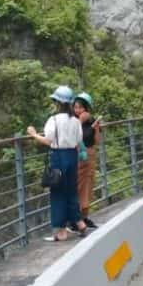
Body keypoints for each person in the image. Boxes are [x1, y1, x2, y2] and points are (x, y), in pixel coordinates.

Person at [26, 86, 88, 242]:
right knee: (71, 190)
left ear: (58, 102)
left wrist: (33, 134)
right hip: (72, 156)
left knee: (58, 192)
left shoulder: (53, 120)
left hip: (59, 156)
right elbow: (79, 139)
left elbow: (48, 140)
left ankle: (61, 231)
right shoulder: (75, 120)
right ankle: (79, 222)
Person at [72, 92, 100, 229]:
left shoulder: (91, 121)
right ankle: (76, 220)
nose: (78, 110)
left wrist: (96, 129)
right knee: (80, 187)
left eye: (80, 108)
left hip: (90, 155)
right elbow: (72, 132)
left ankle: (85, 217)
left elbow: (96, 141)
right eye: (75, 107)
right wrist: (81, 120)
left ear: (86, 108)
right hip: (78, 156)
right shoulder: (73, 121)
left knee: (89, 186)